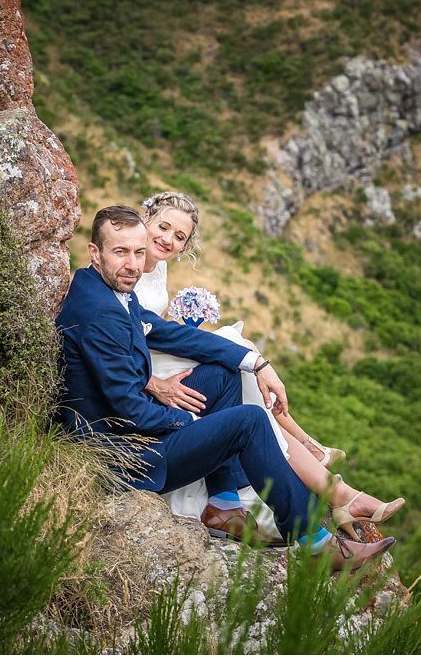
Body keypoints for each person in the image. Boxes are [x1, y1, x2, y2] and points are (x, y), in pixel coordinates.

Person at [57, 205, 396, 571]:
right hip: (127, 456)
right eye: (121, 252)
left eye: (139, 253)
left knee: (222, 374)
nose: (134, 264)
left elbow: (173, 336)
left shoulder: (105, 288)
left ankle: (223, 504)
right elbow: (130, 411)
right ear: (95, 252)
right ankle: (316, 545)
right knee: (249, 421)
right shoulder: (101, 314)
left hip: (128, 427)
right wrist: (190, 420)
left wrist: (255, 362)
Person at [136, 191, 404, 541]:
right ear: (145, 221)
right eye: (163, 227)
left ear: (186, 247)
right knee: (237, 352)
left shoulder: (157, 267)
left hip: (157, 365)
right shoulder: (123, 266)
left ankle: (237, 496)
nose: (168, 239)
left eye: (179, 237)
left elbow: (157, 331)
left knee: (234, 363)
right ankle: (327, 482)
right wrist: (155, 380)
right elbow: (144, 331)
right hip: (144, 384)